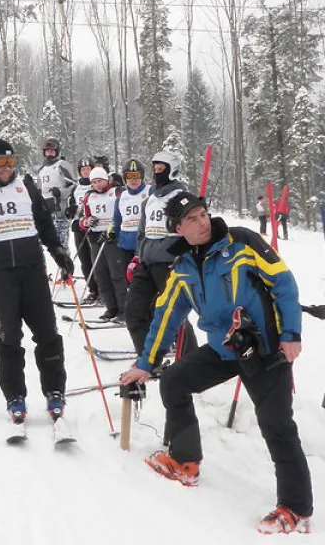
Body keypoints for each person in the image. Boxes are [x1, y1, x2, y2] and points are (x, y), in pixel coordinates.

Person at [120, 191, 313, 534]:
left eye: (203, 214)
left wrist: (291, 335)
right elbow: (166, 316)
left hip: (267, 349)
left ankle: (295, 507)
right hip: (224, 349)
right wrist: (146, 363)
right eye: (191, 219)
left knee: (276, 425)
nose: (202, 222)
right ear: (178, 228)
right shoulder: (181, 268)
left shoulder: (242, 243)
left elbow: (283, 284)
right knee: (174, 381)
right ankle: (185, 460)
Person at [0, 139, 74, 423]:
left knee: (47, 332)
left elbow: (43, 223)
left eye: (12, 162)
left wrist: (58, 251)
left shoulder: (26, 187)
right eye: (1, 163)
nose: (7, 169)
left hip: (32, 268)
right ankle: (15, 396)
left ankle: (55, 390)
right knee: (9, 335)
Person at [124, 150, 196, 356]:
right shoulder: (150, 199)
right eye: (154, 168)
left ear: (172, 170)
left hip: (170, 265)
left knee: (174, 314)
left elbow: (193, 233)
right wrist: (137, 257)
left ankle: (189, 359)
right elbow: (142, 233)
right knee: (134, 313)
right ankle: (149, 358)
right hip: (147, 265)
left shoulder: (181, 198)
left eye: (161, 168)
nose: (157, 173)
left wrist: (180, 257)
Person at [79, 167, 127, 321]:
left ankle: (123, 310)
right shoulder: (89, 197)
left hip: (112, 238)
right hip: (96, 239)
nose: (97, 185)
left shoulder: (117, 192)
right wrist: (87, 222)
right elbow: (83, 219)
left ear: (107, 180)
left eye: (100, 181)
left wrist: (116, 229)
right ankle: (111, 308)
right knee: (101, 275)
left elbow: (125, 213)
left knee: (116, 275)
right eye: (94, 182)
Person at [65, 155, 99, 304]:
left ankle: (103, 290)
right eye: (83, 170)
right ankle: (93, 289)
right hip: (80, 226)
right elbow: (70, 210)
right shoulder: (75, 188)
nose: (86, 172)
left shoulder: (97, 184)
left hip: (94, 226)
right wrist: (71, 212)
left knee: (96, 259)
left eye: (88, 169)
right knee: (84, 260)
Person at [36, 137, 76, 247]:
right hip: (46, 212)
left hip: (60, 210)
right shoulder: (41, 170)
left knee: (61, 245)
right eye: (47, 151)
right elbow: (39, 190)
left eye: (52, 151)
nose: (49, 153)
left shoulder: (62, 165)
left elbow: (74, 187)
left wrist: (60, 192)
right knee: (43, 244)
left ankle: (64, 264)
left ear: (56, 152)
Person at [113, 158, 149, 277]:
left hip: (144, 246)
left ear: (142, 176)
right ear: (124, 178)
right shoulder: (121, 197)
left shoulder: (150, 192)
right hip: (126, 246)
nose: (133, 180)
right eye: (130, 176)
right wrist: (117, 237)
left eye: (137, 176)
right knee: (128, 279)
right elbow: (117, 221)